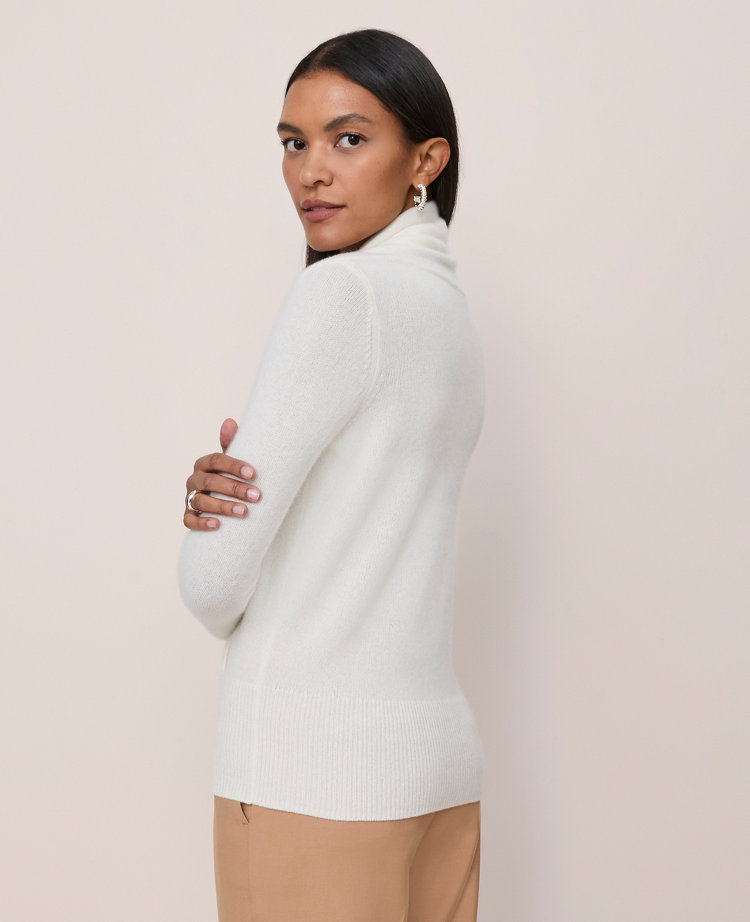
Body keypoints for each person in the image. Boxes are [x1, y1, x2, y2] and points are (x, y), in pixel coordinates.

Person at [177, 28, 486, 922]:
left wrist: (215, 521)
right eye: (293, 142)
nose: (311, 171)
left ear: (425, 159)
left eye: (349, 139)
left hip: (311, 775)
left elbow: (211, 587)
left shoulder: (342, 294)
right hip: (436, 772)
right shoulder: (449, 314)